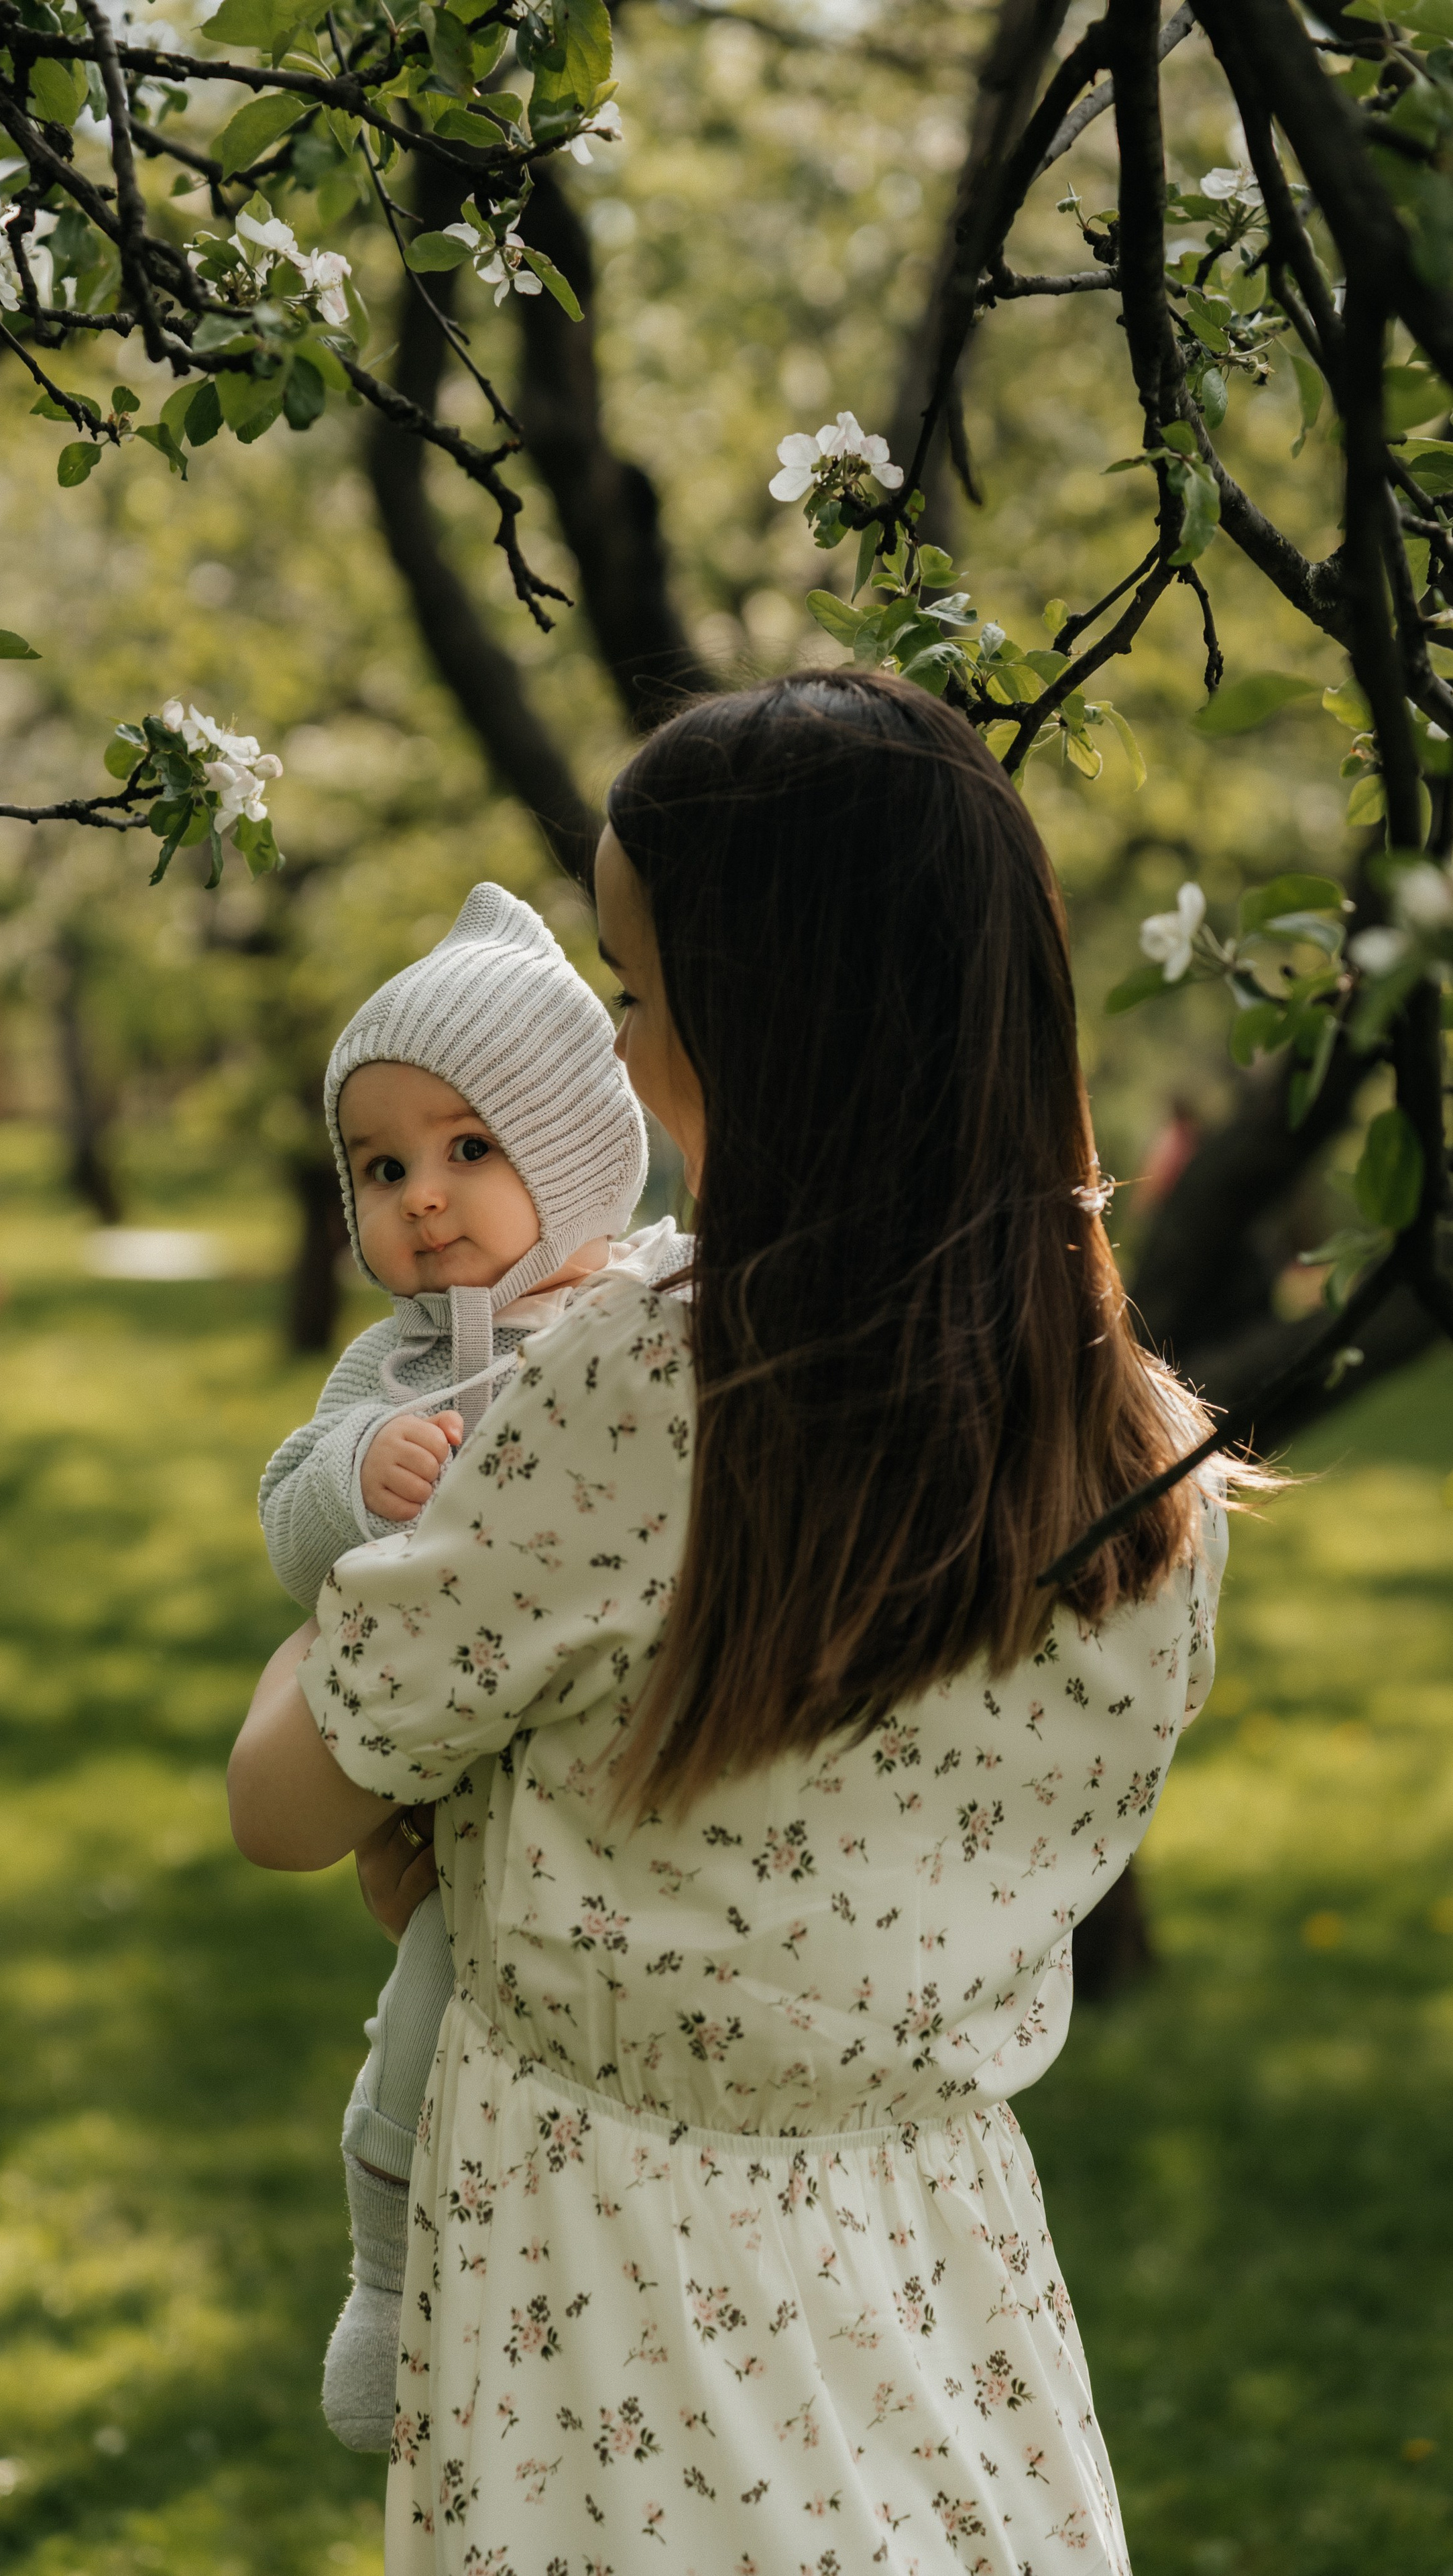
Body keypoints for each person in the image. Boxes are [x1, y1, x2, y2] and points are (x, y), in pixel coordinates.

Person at [229, 669, 1234, 2574]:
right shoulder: (1150, 1454)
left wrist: (354, 1630)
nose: (613, 1043)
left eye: (631, 987)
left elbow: (284, 1800)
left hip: (610, 2275)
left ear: (751, 1022)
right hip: (941, 2268)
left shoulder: (638, 1384)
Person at [255, 881, 690, 2450]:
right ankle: (382, 2284)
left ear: (576, 1150)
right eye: (380, 1166)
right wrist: (357, 1467)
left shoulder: (640, 1311)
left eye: (468, 1149)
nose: (421, 1199)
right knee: (412, 2037)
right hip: (429, 1780)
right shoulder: (392, 1369)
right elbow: (287, 1518)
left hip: (587, 1795)